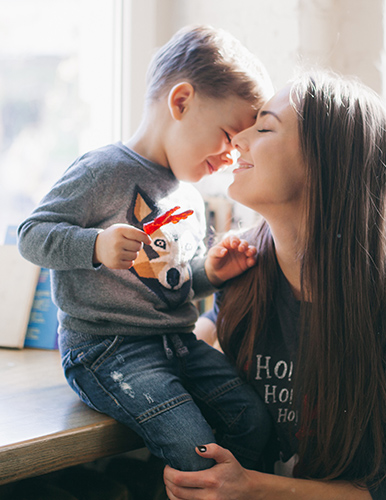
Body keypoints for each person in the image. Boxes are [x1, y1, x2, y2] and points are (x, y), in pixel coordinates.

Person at [163, 71, 386, 499]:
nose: (237, 140)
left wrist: (254, 489)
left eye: (264, 127)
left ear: (325, 164)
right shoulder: (243, 270)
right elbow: (207, 330)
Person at [17, 25, 274, 473]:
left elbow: (164, 287)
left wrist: (208, 273)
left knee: (253, 422)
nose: (233, 156)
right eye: (229, 135)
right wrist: (94, 245)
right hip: (106, 349)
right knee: (196, 451)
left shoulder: (189, 196)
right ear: (181, 102)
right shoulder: (103, 170)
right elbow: (31, 235)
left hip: (178, 344)